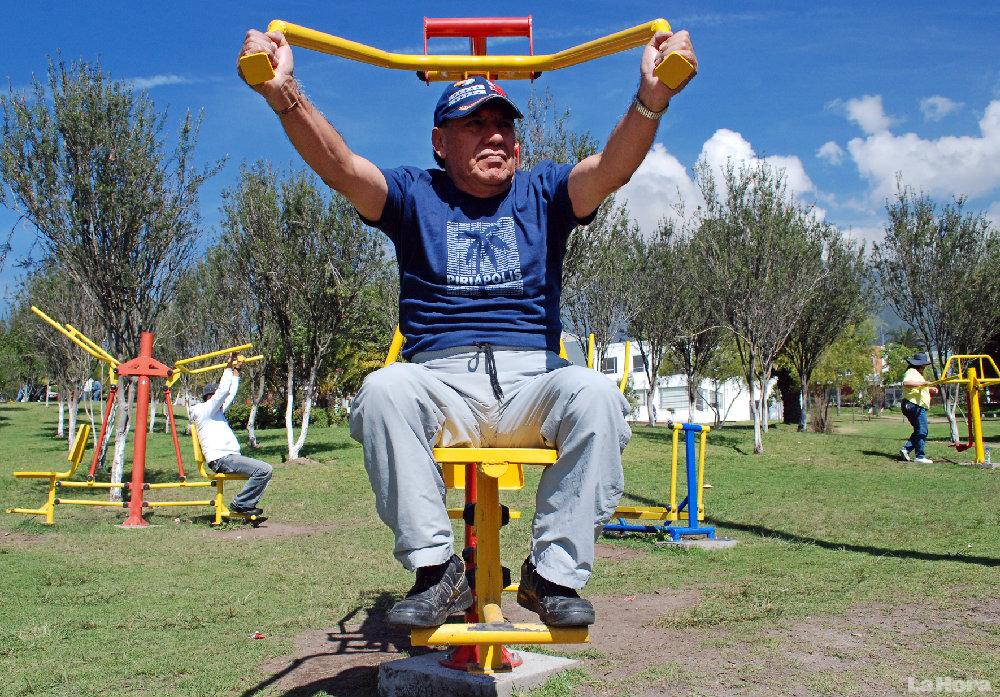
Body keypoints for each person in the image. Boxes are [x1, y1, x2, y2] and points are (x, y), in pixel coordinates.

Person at [238, 24, 697, 628]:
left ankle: (552, 575)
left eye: (504, 125)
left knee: (598, 397)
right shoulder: (413, 195)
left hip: (532, 382)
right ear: (440, 142)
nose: (495, 136)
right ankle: (437, 571)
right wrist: (283, 92)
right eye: (475, 125)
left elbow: (611, 168)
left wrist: (652, 97)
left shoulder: (544, 193)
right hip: (441, 383)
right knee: (381, 391)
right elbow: (341, 167)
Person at [189, 353, 273, 516]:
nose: (223, 401)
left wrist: (236, 370)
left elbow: (230, 392)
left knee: (264, 470)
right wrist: (228, 364)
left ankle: (244, 504)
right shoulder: (204, 410)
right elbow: (223, 391)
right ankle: (241, 503)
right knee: (264, 469)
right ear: (209, 397)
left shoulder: (217, 411)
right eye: (218, 398)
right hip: (222, 459)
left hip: (229, 458)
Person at [899, 352, 938, 464]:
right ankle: (920, 456)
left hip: (914, 405)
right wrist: (924, 383)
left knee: (919, 430)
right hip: (914, 405)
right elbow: (906, 383)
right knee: (922, 430)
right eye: (924, 366)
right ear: (919, 365)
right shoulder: (911, 372)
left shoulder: (917, 374)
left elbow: (918, 388)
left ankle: (906, 449)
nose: (925, 368)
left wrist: (930, 389)